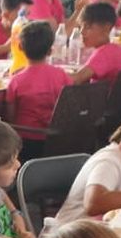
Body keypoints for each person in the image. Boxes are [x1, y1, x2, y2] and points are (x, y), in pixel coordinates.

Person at [5, 21, 72, 158]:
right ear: (50, 50)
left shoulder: (16, 81)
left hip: (25, 142)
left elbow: (9, 117)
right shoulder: (61, 75)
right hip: (57, 139)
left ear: (20, 47)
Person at [70, 1, 121, 85]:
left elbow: (77, 79)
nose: (82, 31)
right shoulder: (115, 49)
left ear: (106, 28)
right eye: (80, 27)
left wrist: (51, 74)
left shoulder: (105, 52)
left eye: (88, 27)